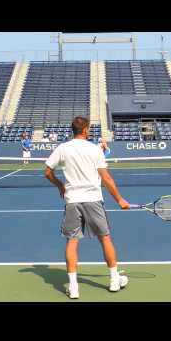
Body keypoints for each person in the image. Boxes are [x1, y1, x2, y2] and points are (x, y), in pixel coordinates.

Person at [44, 116, 130, 299]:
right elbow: (106, 179)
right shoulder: (94, 149)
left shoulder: (63, 148)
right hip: (93, 200)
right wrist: (120, 200)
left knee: (72, 242)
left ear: (73, 129)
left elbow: (47, 172)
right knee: (105, 239)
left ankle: (74, 288)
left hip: (72, 201)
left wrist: (60, 185)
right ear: (86, 130)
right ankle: (114, 280)